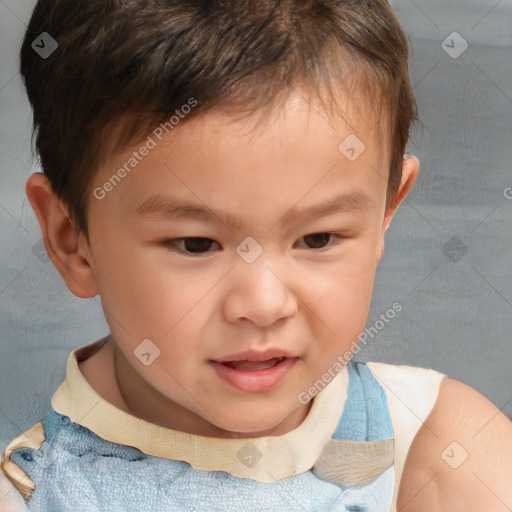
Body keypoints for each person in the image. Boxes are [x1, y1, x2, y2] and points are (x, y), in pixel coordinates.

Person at [1, 0, 511, 510]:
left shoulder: (440, 449)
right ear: (73, 241)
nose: (264, 305)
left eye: (318, 239)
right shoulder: (33, 495)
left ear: (385, 212)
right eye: (197, 244)